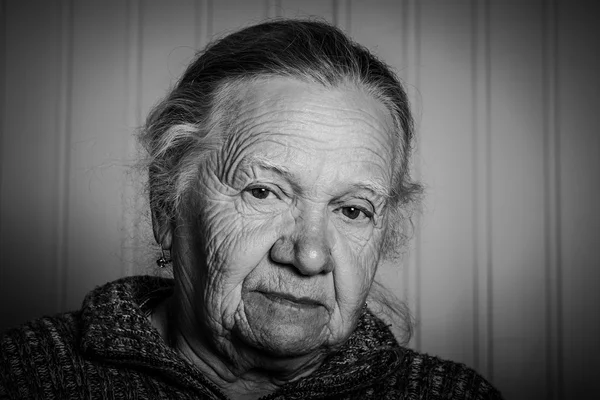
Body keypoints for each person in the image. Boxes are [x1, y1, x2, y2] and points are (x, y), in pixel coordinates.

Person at [0, 19, 502, 399]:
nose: (308, 256)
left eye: (351, 210)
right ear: (165, 203)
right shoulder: (28, 374)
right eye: (263, 192)